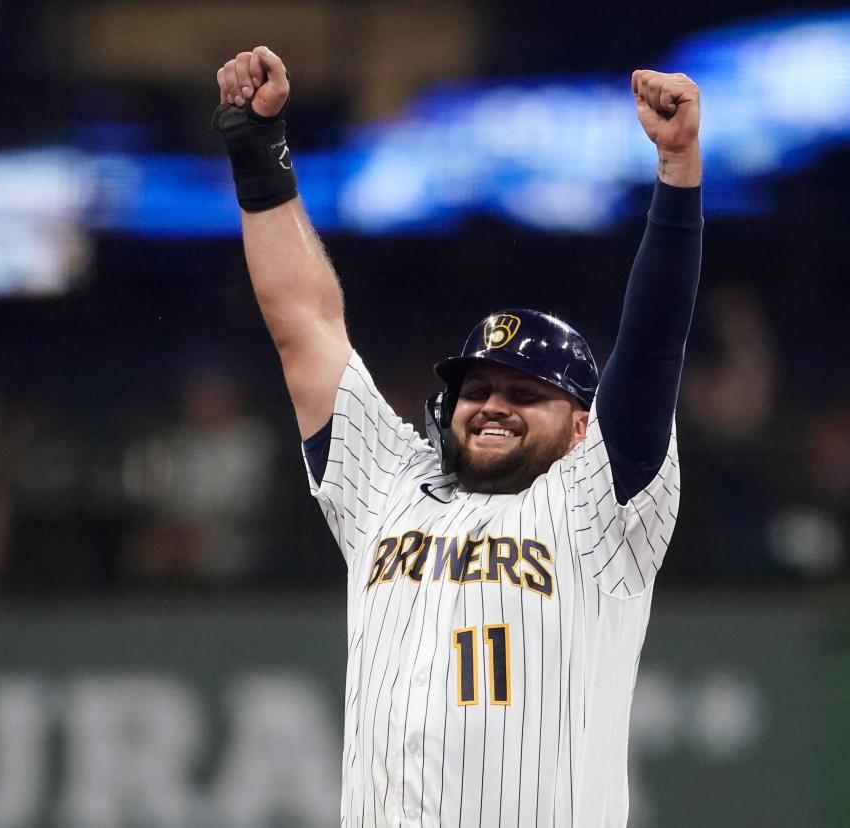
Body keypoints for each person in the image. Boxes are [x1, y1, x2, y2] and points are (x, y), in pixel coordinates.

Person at [213, 46, 702, 827]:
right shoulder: (389, 488)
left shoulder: (598, 513)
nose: (493, 404)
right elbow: (305, 326)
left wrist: (678, 172)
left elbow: (651, 349)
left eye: (526, 393)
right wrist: (257, 149)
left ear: (583, 427)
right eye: (477, 387)